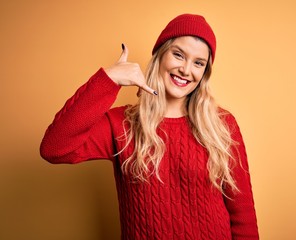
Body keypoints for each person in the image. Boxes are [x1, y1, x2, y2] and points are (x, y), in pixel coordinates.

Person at [40, 13, 259, 240]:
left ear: (204, 73)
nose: (186, 69)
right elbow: (54, 148)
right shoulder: (121, 124)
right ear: (160, 56)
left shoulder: (222, 124)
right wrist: (108, 79)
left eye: (198, 63)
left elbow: (243, 215)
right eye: (178, 55)